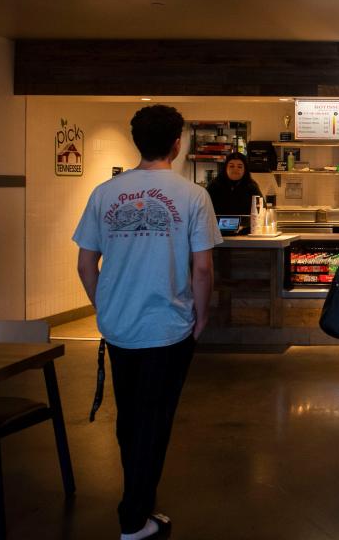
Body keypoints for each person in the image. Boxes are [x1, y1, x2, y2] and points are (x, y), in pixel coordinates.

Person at [73, 104, 222, 540]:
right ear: (177, 143)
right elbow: (202, 270)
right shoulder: (193, 196)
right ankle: (134, 519)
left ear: (138, 141)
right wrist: (202, 315)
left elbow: (86, 265)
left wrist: (106, 307)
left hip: (119, 329)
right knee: (154, 423)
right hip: (167, 327)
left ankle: (140, 501)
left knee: (130, 420)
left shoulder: (105, 193)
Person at [205, 151, 263, 216]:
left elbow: (261, 210)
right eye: (231, 166)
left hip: (246, 225)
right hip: (217, 225)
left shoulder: (251, 187)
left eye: (239, 167)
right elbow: (204, 209)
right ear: (225, 168)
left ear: (245, 170)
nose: (235, 169)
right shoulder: (214, 186)